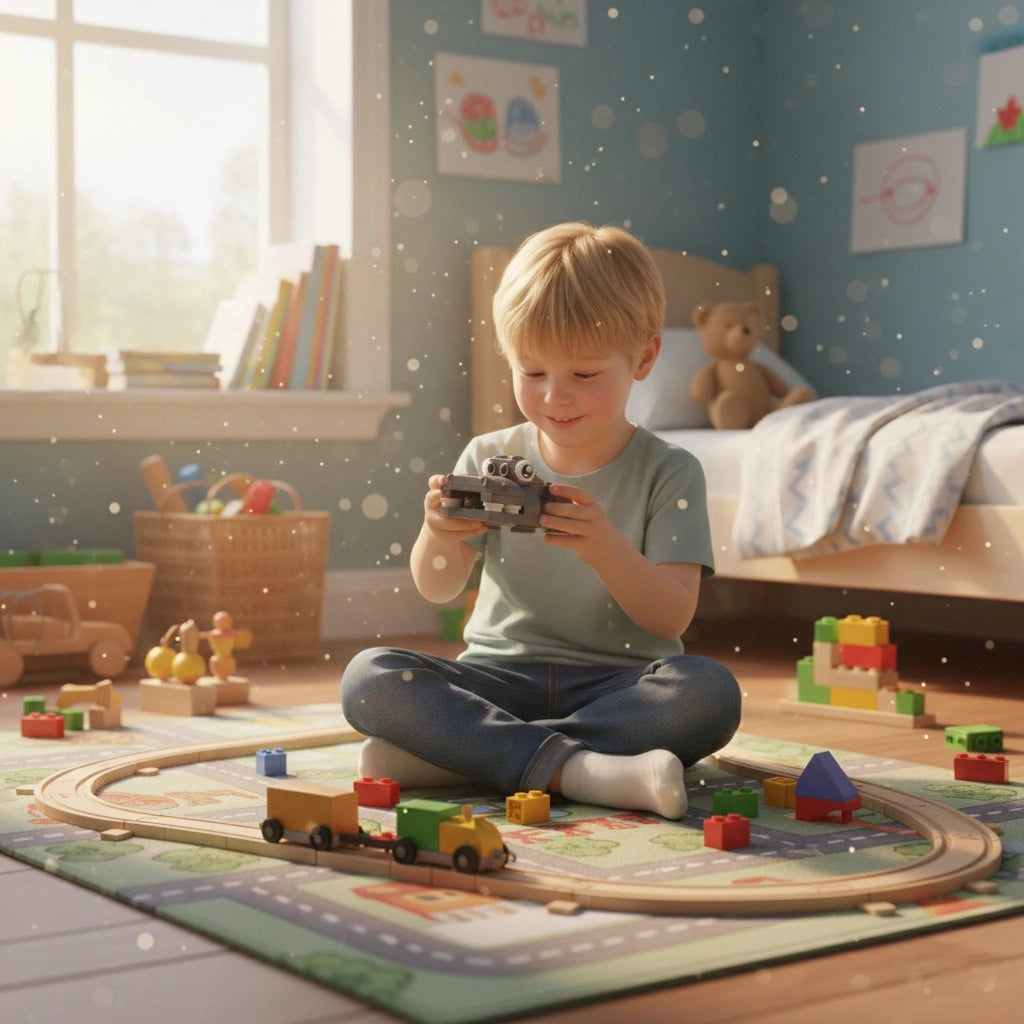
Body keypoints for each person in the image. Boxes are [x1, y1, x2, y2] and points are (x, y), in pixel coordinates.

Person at [341, 222, 741, 819]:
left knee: (709, 694)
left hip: (620, 687)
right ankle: (586, 771)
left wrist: (604, 546)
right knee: (368, 677)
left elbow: (670, 615)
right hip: (498, 681)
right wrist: (438, 533)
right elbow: (438, 586)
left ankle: (465, 755)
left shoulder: (671, 471)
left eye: (583, 375)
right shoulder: (486, 455)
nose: (555, 395)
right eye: (531, 373)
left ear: (644, 357)